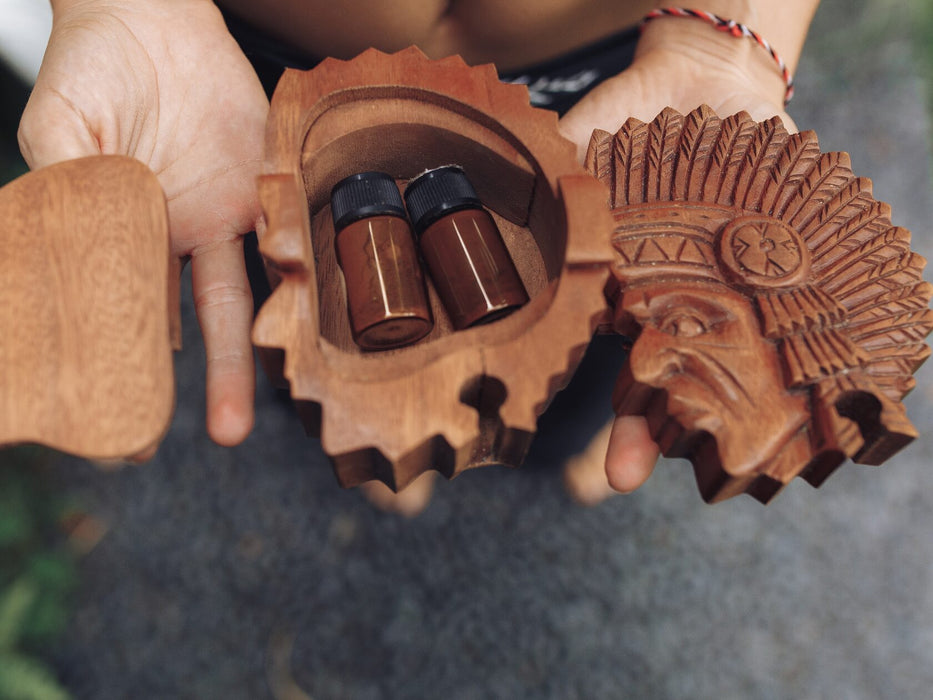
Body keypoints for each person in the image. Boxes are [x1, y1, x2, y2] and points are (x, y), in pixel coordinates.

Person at [18, 0, 820, 510]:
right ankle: (390, 437)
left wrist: (731, 42)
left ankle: (553, 446)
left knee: (593, 311)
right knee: (300, 302)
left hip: (625, 46)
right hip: (239, 54)